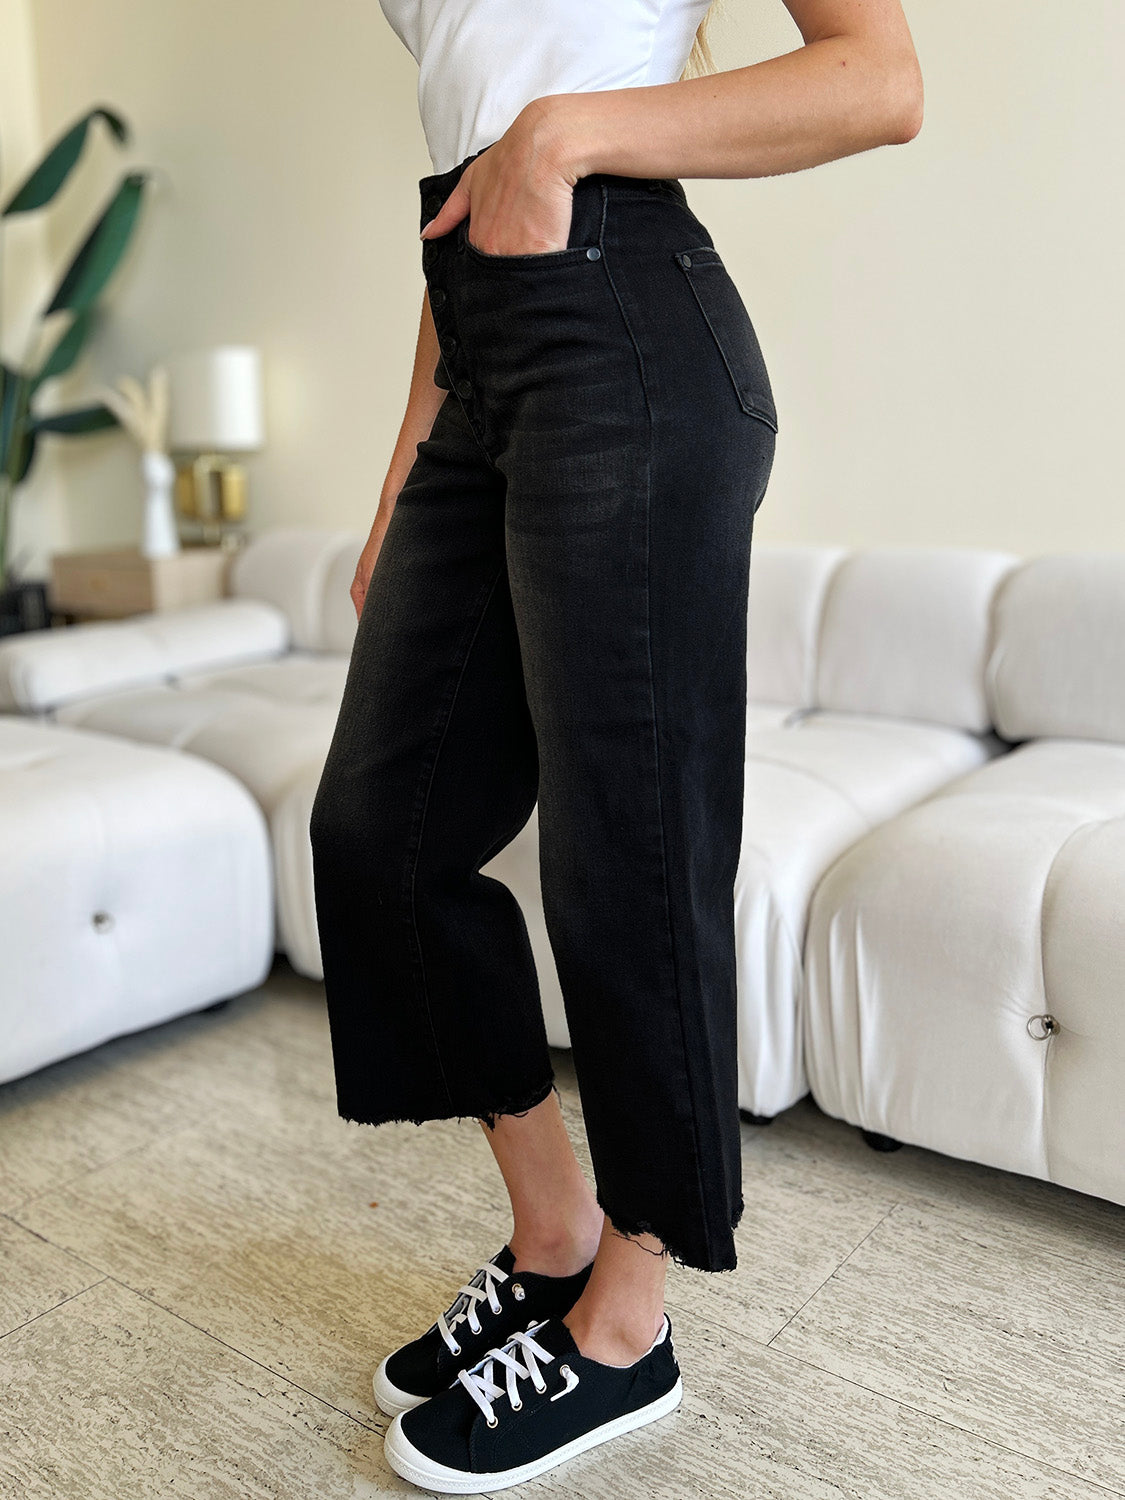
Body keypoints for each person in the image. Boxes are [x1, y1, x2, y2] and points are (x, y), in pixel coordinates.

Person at [309, 0, 923, 1490]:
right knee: (375, 832)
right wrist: (403, 464)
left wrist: (568, 132)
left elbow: (878, 78)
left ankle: (626, 1320)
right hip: (485, 361)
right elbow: (472, 184)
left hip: (629, 346)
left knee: (626, 858)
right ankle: (551, 1233)